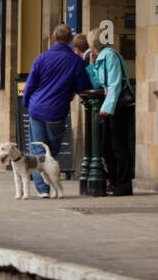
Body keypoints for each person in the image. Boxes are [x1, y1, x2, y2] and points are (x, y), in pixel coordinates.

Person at [22, 24, 90, 196]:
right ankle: (48, 185)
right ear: (70, 40)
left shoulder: (41, 58)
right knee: (51, 150)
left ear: (53, 37)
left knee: (37, 148)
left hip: (36, 108)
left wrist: (26, 102)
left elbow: (30, 84)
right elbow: (83, 85)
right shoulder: (76, 61)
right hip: (57, 111)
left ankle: (42, 189)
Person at [87, 28, 134, 196]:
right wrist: (92, 65)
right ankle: (114, 182)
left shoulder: (110, 56)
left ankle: (123, 185)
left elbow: (114, 85)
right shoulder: (101, 57)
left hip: (120, 107)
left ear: (93, 43)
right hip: (111, 107)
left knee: (118, 147)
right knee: (106, 147)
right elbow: (97, 83)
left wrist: (106, 110)